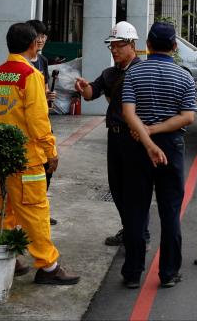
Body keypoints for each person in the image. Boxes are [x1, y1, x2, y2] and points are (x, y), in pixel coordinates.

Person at [0, 22, 79, 285]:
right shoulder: (30, 75)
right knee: (36, 212)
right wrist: (51, 151)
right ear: (32, 44)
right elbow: (38, 121)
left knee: (4, 210)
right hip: (27, 158)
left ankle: (7, 257)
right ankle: (48, 266)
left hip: (0, 157)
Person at [120, 22, 197, 289]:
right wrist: (156, 130)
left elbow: (128, 112)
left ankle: (132, 273)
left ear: (148, 46)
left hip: (138, 145)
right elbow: (187, 117)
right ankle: (168, 272)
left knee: (136, 211)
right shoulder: (184, 76)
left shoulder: (134, 74)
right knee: (170, 211)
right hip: (171, 147)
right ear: (175, 46)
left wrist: (145, 133)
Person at [74, 21, 148, 247]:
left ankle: (139, 234)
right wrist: (84, 87)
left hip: (135, 137)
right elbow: (90, 94)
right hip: (115, 137)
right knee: (117, 186)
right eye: (111, 46)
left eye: (118, 46)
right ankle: (130, 229)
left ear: (132, 45)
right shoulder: (109, 74)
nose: (114, 50)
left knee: (135, 188)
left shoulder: (143, 71)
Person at [26, 19, 57, 224]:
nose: (41, 40)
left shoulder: (42, 61)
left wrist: (48, 96)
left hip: (43, 119)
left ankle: (41, 208)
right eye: (38, 36)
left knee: (47, 168)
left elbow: (43, 89)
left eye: (44, 36)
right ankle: (31, 212)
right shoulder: (23, 63)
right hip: (30, 124)